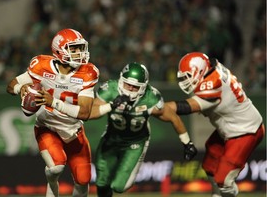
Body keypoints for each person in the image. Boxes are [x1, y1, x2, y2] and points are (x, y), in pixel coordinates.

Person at [6, 28, 99, 197]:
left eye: (80, 48)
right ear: (59, 50)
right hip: (47, 127)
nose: (79, 53)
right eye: (74, 48)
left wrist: (53, 102)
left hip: (73, 130)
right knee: (56, 167)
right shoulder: (41, 66)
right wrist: (21, 88)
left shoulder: (88, 72)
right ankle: (51, 183)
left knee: (83, 179)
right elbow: (11, 85)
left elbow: (84, 113)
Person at [89, 62, 197, 197]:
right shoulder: (110, 89)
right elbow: (89, 113)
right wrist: (111, 105)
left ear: (143, 87)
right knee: (101, 181)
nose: (129, 89)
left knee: (119, 186)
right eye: (127, 84)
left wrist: (187, 143)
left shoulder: (151, 98)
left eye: (135, 87)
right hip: (112, 137)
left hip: (135, 142)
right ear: (121, 79)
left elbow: (173, 117)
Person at [165, 52, 265, 197]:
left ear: (200, 71)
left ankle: (229, 192)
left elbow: (185, 107)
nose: (185, 81)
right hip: (231, 127)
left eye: (188, 76)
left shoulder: (213, 83)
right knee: (210, 164)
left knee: (223, 180)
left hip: (245, 131)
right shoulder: (211, 67)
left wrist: (158, 107)